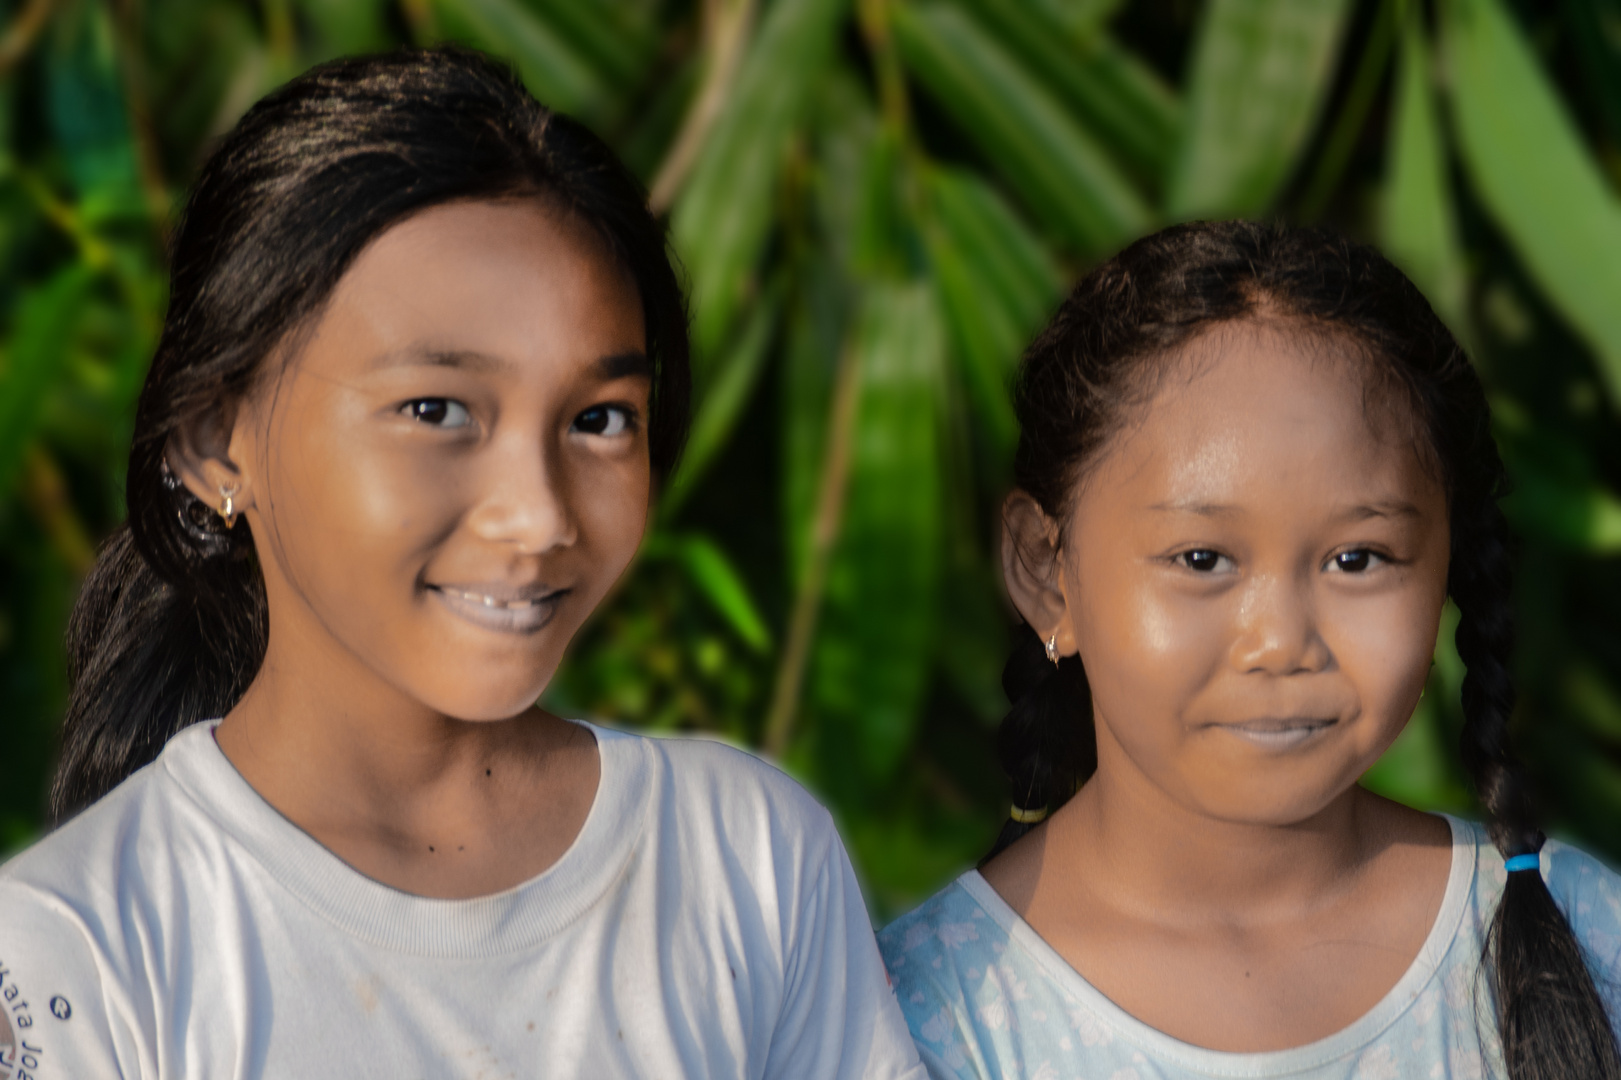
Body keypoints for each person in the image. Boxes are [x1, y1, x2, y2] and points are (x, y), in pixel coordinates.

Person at [0, 47, 924, 1080]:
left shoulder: (745, 861)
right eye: (434, 411)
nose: (535, 515)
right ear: (218, 442)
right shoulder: (73, 956)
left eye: (599, 419)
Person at [879, 221, 1621, 1080]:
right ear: (1048, 573)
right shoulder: (918, 1019)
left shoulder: (1578, 939)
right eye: (1201, 561)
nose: (1279, 643)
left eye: (1357, 559)